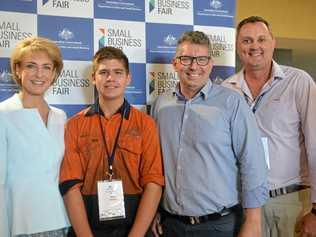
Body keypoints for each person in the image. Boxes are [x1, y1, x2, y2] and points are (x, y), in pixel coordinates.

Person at [151, 30, 268, 237]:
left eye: (202, 59)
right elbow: (155, 164)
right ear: (175, 63)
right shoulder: (161, 104)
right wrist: (153, 210)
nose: (194, 66)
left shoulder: (232, 103)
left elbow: (252, 161)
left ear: (211, 63)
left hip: (218, 226)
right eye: (186, 59)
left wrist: (253, 220)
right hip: (170, 225)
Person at [222, 16, 316, 237]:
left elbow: (315, 145)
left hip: (291, 202)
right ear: (237, 47)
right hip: (242, 203)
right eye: (246, 41)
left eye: (261, 39)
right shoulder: (226, 90)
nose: (255, 46)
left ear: (273, 42)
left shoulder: (299, 82)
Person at [59, 46, 164, 237]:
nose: (110, 78)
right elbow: (70, 185)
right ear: (93, 78)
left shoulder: (145, 124)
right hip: (88, 223)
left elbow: (154, 182)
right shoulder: (74, 125)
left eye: (118, 72)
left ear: (128, 78)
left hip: (135, 224)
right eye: (104, 72)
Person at [0, 36, 69, 236]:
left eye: (47, 67)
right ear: (17, 70)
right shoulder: (4, 114)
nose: (39, 74)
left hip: (60, 222)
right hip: (19, 226)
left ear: (54, 72)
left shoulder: (60, 117)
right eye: (31, 66)